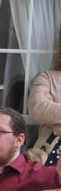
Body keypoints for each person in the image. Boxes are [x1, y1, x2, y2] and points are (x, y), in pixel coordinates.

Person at [27, 29, 61, 165]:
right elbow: (37, 108)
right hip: (47, 155)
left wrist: (54, 120)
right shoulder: (47, 77)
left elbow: (46, 111)